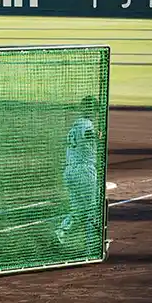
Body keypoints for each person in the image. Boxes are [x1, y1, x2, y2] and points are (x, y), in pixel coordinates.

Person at [56, 96, 101, 252]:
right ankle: (91, 247)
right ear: (92, 110)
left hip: (69, 172)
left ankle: (61, 231)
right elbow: (89, 134)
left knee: (78, 210)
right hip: (84, 172)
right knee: (92, 209)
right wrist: (98, 135)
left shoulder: (74, 125)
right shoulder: (86, 124)